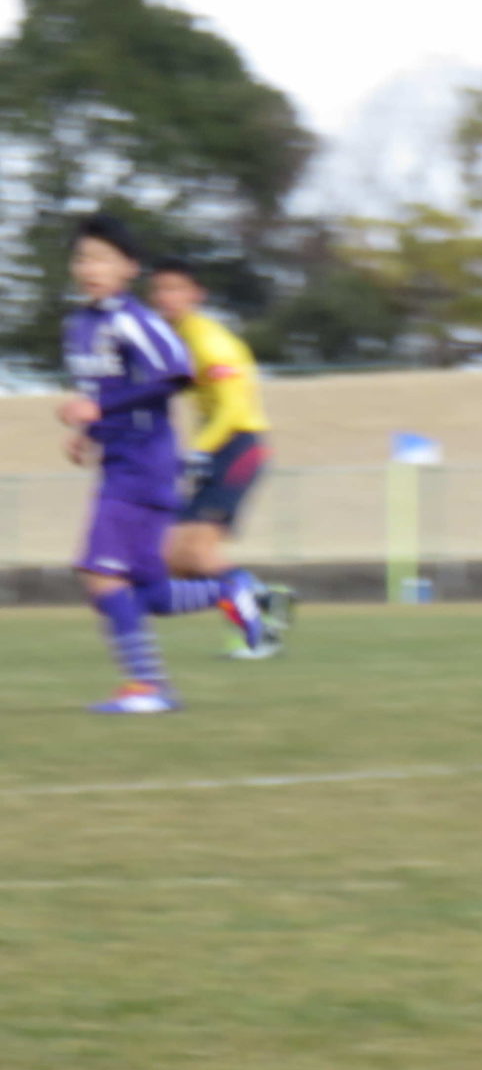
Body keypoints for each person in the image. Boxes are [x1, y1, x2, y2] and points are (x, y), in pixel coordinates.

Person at [57, 215, 273, 713]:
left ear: (129, 268)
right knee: (147, 591)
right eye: (83, 257)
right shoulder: (78, 325)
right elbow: (102, 392)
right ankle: (229, 591)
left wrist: (99, 412)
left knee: (101, 576)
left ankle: (148, 686)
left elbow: (175, 374)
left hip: (145, 465)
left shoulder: (133, 318)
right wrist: (86, 431)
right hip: (119, 464)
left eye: (103, 258)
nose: (90, 267)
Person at [146, 258, 296, 656]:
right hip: (217, 450)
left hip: (240, 446)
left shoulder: (210, 342)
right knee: (174, 560)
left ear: (197, 295)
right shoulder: (177, 339)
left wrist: (199, 450)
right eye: (159, 289)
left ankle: (258, 632)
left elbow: (233, 408)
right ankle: (261, 598)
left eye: (176, 288)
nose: (166, 297)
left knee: (196, 552)